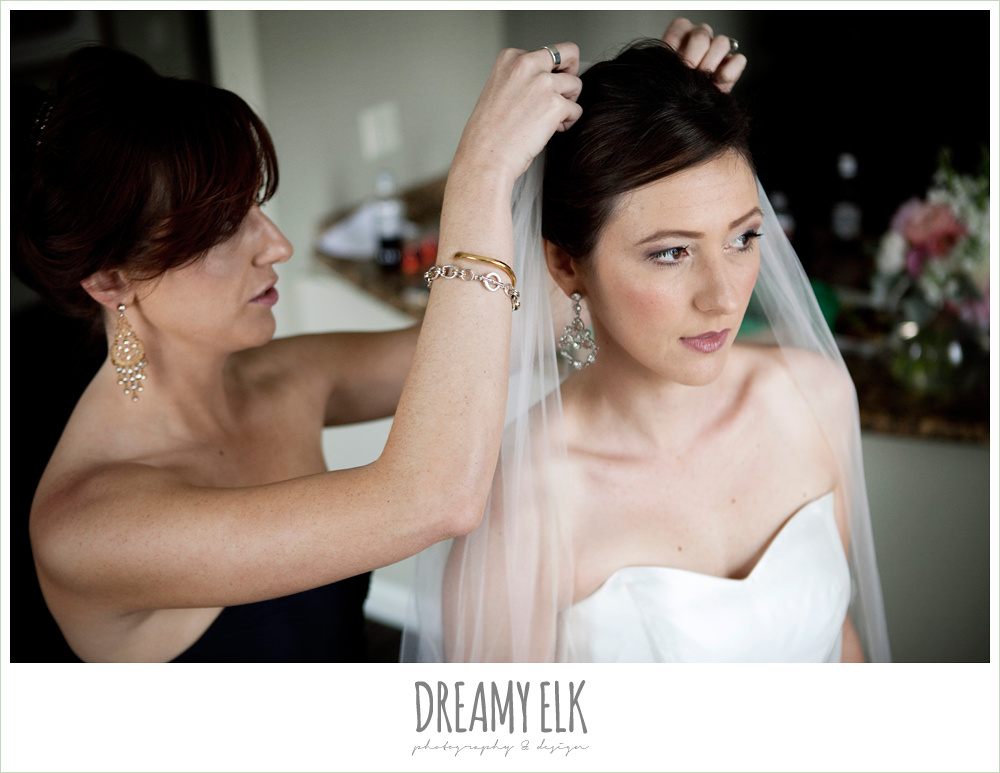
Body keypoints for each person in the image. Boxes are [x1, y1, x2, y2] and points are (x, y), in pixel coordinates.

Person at [12, 41, 585, 662]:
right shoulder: (88, 529)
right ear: (111, 281)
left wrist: (672, 127)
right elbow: (434, 499)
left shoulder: (284, 378)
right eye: (220, 227)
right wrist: (480, 174)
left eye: (253, 204)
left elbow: (513, 327)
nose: (277, 246)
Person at [402, 26, 892, 662]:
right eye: (670, 252)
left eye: (742, 238)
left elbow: (841, 644)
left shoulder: (814, 398)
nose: (723, 297)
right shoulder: (522, 506)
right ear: (565, 264)